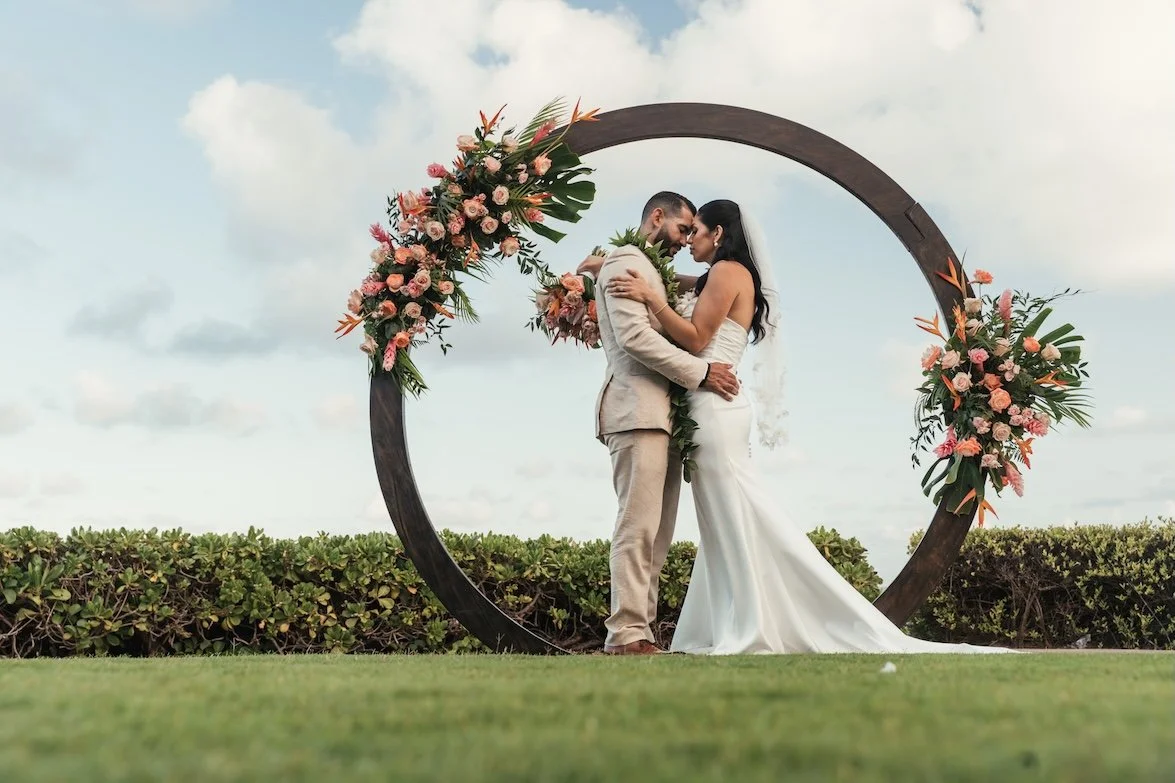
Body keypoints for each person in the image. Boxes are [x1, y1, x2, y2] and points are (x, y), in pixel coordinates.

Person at [603, 198, 1013, 655]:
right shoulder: (724, 274)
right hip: (709, 406)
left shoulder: (726, 273)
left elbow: (697, 339)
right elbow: (686, 285)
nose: (688, 240)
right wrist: (622, 272)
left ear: (717, 234)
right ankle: (735, 619)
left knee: (737, 513)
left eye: (694, 230)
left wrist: (652, 299)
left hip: (714, 405)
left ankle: (759, 621)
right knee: (724, 518)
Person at [586, 191, 740, 656]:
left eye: (693, 232)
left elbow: (691, 289)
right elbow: (634, 338)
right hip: (636, 410)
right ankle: (626, 634)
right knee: (637, 527)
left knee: (657, 532)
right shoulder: (627, 261)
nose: (685, 239)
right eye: (682, 228)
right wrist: (701, 372)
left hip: (663, 415)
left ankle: (641, 633)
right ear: (657, 216)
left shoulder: (643, 267)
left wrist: (595, 266)